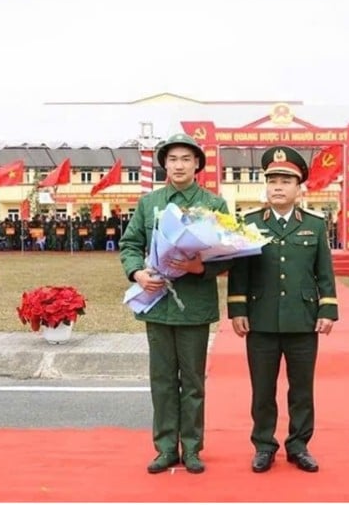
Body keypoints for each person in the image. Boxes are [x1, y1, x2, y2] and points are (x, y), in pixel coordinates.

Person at [119, 133, 232, 475]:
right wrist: (137, 273)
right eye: (172, 159)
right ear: (164, 164)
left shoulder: (214, 205)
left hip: (193, 305)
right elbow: (130, 244)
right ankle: (166, 447)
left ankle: (193, 448)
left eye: (186, 158)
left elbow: (230, 252)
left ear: (197, 163)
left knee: (194, 381)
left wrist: (202, 267)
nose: (179, 165)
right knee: (163, 379)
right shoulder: (148, 203)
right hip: (156, 302)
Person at [226, 146, 338, 474]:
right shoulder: (249, 223)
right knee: (263, 389)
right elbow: (239, 271)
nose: (278, 186)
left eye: (286, 180)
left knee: (301, 389)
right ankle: (264, 445)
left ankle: (299, 445)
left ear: (299, 187)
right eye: (272, 180)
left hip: (303, 320)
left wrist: (327, 310)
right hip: (260, 320)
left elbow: (324, 273)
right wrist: (237, 309)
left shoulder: (315, 226)